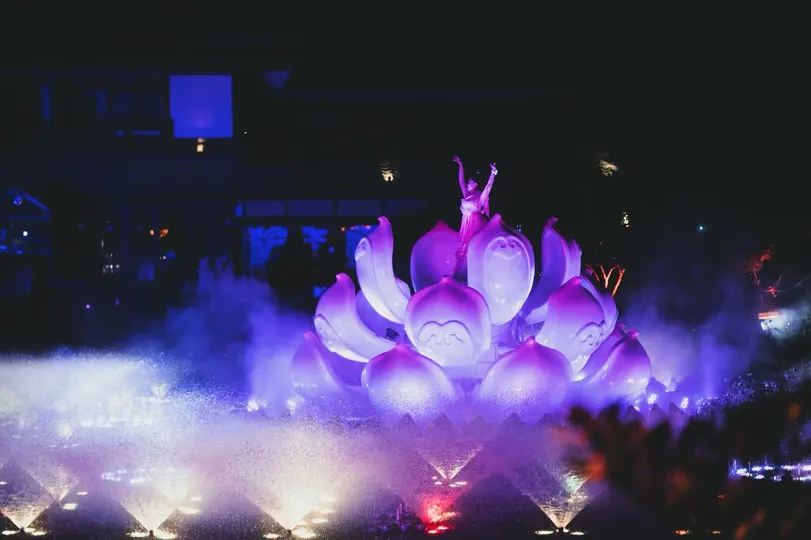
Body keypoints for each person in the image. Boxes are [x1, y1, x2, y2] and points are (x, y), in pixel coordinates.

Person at [453, 155, 498, 259]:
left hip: (475, 223)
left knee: (475, 245)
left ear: (475, 184)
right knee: (465, 248)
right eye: (468, 182)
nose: (467, 184)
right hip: (465, 223)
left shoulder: (479, 196)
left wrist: (493, 172)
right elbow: (461, 181)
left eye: (470, 182)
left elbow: (488, 187)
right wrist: (460, 165)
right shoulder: (466, 194)